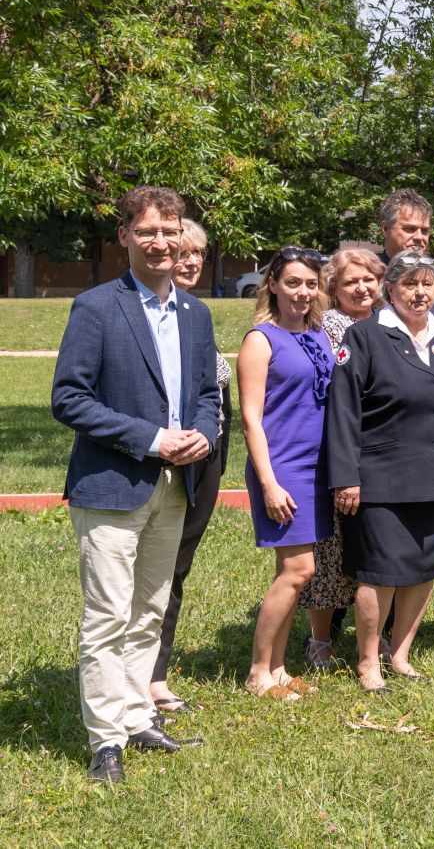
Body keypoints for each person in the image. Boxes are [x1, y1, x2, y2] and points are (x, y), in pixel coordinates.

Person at [51, 185, 220, 782]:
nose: (159, 242)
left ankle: (135, 716)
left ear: (183, 237)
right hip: (112, 482)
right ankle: (105, 742)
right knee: (107, 614)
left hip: (175, 486)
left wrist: (201, 432)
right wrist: (152, 439)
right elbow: (68, 398)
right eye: (145, 231)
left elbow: (205, 392)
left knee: (150, 607)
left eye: (169, 231)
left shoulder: (196, 314)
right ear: (123, 237)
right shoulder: (96, 307)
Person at [328, 253, 434, 693]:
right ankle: (367, 661)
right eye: (410, 285)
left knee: (422, 569)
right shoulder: (365, 337)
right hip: (379, 478)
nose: (420, 294)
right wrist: (346, 476)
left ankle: (399, 654)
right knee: (379, 572)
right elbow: (343, 413)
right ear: (389, 291)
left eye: (428, 286)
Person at [237, 248, 335, 700]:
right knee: (299, 570)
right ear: (273, 283)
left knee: (290, 571)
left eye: (310, 284)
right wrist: (269, 482)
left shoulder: (317, 336)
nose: (302, 292)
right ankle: (259, 672)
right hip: (282, 467)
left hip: (318, 467)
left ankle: (279, 669)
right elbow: (251, 419)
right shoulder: (261, 339)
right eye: (293, 282)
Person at [147, 219, 233, 715]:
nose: (191, 261)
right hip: (159, 455)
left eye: (198, 254)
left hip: (205, 456)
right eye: (182, 252)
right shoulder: (140, 314)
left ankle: (155, 677)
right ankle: (131, 678)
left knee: (176, 566)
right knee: (146, 571)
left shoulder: (194, 314)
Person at [298, 248, 385, 669]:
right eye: (351, 281)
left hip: (384, 450)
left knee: (376, 546)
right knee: (329, 550)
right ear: (333, 287)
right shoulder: (329, 328)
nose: (362, 287)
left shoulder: (391, 324)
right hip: (338, 447)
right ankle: (320, 640)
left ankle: (374, 634)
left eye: (369, 279)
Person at [377, 188, 434, 329]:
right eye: (409, 229)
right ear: (385, 229)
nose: (420, 237)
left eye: (425, 231)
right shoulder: (368, 276)